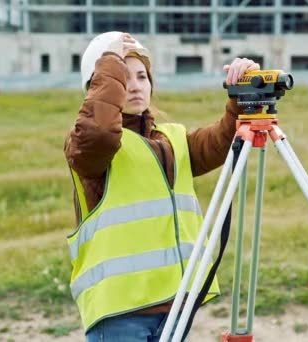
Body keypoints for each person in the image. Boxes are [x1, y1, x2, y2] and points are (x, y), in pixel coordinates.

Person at [63, 31, 260, 341]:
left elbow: (222, 140)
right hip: (119, 314)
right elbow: (100, 131)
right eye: (122, 76)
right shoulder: (89, 147)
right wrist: (110, 60)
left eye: (142, 76)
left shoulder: (172, 139)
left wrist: (240, 96)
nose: (135, 84)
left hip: (174, 307)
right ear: (98, 84)